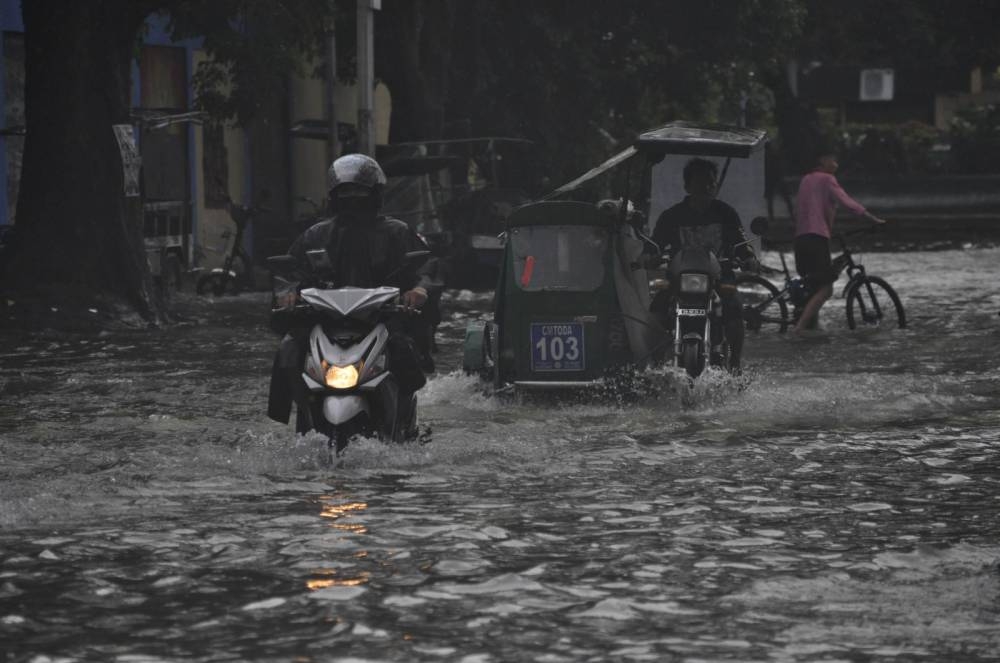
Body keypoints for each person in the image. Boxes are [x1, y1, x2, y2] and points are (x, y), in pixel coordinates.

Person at [267, 153, 441, 429]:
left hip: (382, 318)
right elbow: (290, 272)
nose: (352, 198)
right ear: (334, 196)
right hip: (324, 320)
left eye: (359, 191)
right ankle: (296, 416)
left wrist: (419, 289)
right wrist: (287, 293)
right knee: (288, 349)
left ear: (375, 194)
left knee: (403, 349)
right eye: (345, 192)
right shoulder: (314, 236)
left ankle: (405, 422)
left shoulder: (397, 232)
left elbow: (426, 268)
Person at [651, 157, 760, 372]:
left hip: (719, 277)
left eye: (711, 182)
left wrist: (749, 257)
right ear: (687, 185)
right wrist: (649, 256)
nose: (706, 187)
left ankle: (735, 365)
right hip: (678, 278)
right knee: (655, 311)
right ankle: (654, 362)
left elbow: (741, 242)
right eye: (700, 182)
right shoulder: (671, 216)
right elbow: (655, 245)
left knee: (735, 311)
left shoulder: (726, 213)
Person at [793, 150, 886, 333]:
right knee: (826, 288)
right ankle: (800, 328)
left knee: (813, 285)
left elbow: (805, 209)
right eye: (833, 159)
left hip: (801, 238)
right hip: (816, 237)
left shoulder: (806, 179)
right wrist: (872, 219)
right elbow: (847, 202)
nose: (836, 163)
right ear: (822, 160)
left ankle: (812, 326)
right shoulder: (827, 179)